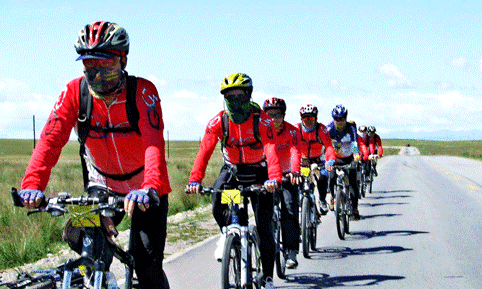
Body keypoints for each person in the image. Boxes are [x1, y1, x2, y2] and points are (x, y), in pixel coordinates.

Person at [18, 21, 171, 289]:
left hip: (145, 187)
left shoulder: (142, 92)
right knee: (89, 248)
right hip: (101, 184)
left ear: (122, 61)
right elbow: (50, 141)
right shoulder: (74, 93)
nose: (97, 75)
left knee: (146, 262)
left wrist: (151, 187)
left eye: (106, 66)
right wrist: (32, 185)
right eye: (89, 67)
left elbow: (154, 143)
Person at [187, 73, 282, 289]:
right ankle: (227, 233)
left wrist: (274, 179)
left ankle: (267, 278)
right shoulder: (219, 121)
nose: (234, 101)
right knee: (217, 201)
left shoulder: (263, 120)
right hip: (232, 173)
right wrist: (195, 180)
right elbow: (204, 152)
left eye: (239, 96)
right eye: (229, 97)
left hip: (260, 175)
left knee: (264, 226)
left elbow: (271, 151)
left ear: (248, 95)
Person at [262, 97, 302, 269]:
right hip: (268, 176)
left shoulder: (293, 131)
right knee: (263, 213)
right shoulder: (260, 130)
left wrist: (295, 171)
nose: (274, 119)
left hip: (287, 175)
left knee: (290, 210)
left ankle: (291, 250)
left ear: (284, 115)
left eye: (278, 115)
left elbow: (295, 151)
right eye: (270, 115)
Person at [297, 104, 336, 214]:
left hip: (317, 161)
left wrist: (330, 160)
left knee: (322, 178)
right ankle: (301, 204)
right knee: (299, 182)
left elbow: (328, 146)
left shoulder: (321, 129)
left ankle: (322, 200)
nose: (308, 121)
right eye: (305, 118)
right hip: (302, 161)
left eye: (311, 118)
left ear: (316, 119)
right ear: (301, 119)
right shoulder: (297, 129)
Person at [327, 104, 361, 220]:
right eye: (337, 119)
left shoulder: (351, 127)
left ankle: (355, 208)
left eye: (342, 119)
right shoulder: (329, 129)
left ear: (346, 118)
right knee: (331, 178)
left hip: (349, 157)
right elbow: (325, 145)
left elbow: (355, 141)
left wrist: (356, 154)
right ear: (333, 119)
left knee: (352, 183)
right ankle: (332, 196)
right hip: (335, 159)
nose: (340, 122)